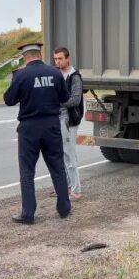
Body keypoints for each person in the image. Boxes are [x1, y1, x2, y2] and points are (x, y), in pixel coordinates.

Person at [3, 42, 71, 224]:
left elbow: (9, 100)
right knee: (58, 167)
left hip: (29, 128)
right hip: (51, 126)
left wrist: (16, 78)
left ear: (25, 57)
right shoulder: (56, 73)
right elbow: (65, 98)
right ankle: (64, 208)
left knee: (27, 171)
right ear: (40, 55)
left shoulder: (21, 75)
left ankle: (28, 214)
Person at [53, 47, 84, 200]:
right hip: (56, 119)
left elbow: (76, 99)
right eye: (55, 59)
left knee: (70, 156)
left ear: (67, 58)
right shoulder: (55, 74)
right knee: (60, 155)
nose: (57, 61)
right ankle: (63, 187)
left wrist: (57, 102)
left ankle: (76, 190)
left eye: (60, 58)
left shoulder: (74, 77)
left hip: (69, 121)